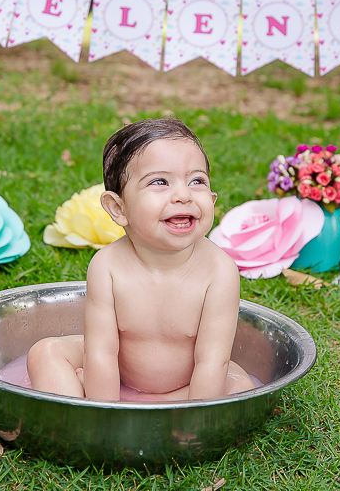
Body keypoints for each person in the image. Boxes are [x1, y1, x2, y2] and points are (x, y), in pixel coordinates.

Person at [27, 118, 255, 401]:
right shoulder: (107, 266)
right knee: (45, 352)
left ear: (212, 198)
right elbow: (101, 352)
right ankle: (77, 412)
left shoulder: (218, 271)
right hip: (118, 375)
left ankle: (156, 407)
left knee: (238, 384)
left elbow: (212, 362)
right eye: (160, 181)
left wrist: (193, 428)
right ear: (118, 209)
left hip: (186, 387)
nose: (183, 195)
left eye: (197, 181)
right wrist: (105, 412)